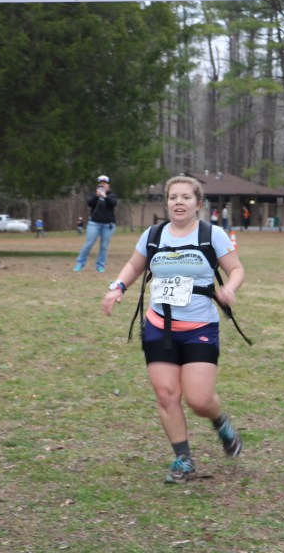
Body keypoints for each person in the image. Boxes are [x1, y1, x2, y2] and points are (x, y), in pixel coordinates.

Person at [102, 175, 246, 483]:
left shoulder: (212, 234)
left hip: (199, 328)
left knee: (199, 400)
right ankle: (183, 459)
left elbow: (236, 269)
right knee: (166, 394)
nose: (178, 202)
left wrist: (230, 288)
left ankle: (220, 422)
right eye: (173, 197)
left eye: (185, 197)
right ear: (167, 202)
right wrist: (117, 288)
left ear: (198, 203)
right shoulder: (154, 235)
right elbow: (134, 266)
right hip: (158, 326)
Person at [74, 175, 117, 273]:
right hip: (94, 223)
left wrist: (105, 196)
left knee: (104, 246)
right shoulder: (94, 195)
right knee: (88, 244)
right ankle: (80, 263)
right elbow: (89, 203)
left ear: (108, 185)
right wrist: (97, 196)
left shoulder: (111, 195)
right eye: (100, 184)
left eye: (104, 184)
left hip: (108, 224)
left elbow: (113, 204)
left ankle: (100, 265)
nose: (102, 185)